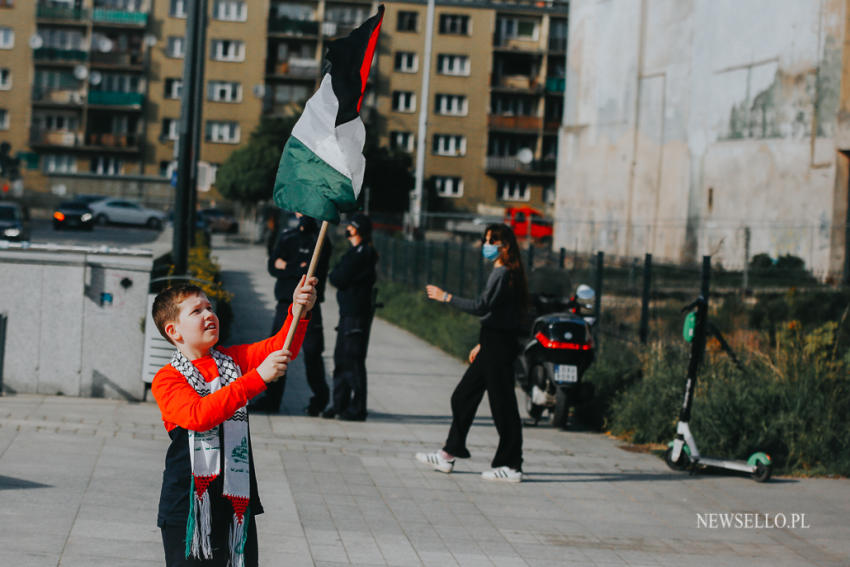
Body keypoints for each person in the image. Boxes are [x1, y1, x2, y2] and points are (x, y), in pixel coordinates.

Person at [151, 276, 317, 566]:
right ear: (173, 331)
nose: (209, 314)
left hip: (234, 503)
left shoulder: (232, 360)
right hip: (188, 508)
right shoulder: (167, 378)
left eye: (209, 307)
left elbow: (281, 347)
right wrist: (256, 379)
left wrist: (299, 311)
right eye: (197, 311)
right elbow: (199, 415)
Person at [415, 223, 527, 482]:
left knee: (503, 407)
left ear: (504, 246)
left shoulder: (505, 274)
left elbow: (482, 306)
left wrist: (446, 297)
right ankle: (449, 453)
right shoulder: (502, 273)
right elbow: (498, 314)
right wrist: (482, 343)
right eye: (486, 240)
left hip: (499, 347)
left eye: (491, 241)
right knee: (463, 397)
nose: (486, 246)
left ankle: (511, 465)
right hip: (492, 343)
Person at [256, 212, 332, 416]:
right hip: (284, 305)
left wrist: (286, 265)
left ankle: (320, 400)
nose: (301, 215)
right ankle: (271, 399)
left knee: (312, 354)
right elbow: (273, 266)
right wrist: (294, 267)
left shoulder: (321, 239)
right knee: (277, 352)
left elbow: (309, 270)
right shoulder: (288, 236)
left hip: (309, 307)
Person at [322, 212, 377, 421]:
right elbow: (337, 276)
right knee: (341, 360)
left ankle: (357, 408)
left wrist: (338, 276)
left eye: (351, 226)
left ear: (358, 230)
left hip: (356, 316)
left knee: (353, 362)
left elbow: (339, 277)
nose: (347, 229)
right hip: (347, 314)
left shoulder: (363, 253)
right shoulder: (355, 252)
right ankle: (339, 404)